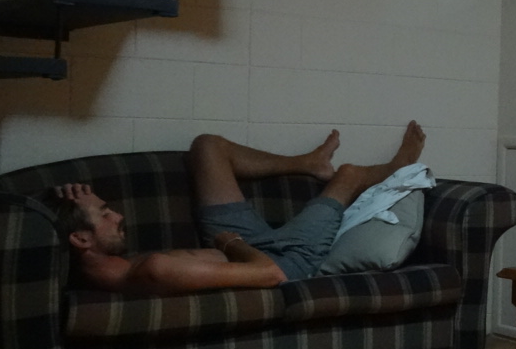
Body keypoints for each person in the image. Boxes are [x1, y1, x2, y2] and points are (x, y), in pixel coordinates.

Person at [54, 122, 426, 296]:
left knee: (207, 147)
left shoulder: (102, 270)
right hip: (285, 261)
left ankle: (308, 162)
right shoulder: (154, 270)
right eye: (105, 215)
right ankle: (401, 165)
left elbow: (69, 233)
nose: (118, 216)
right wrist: (229, 242)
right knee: (347, 176)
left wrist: (68, 203)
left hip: (244, 247)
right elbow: (269, 273)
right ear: (80, 239)